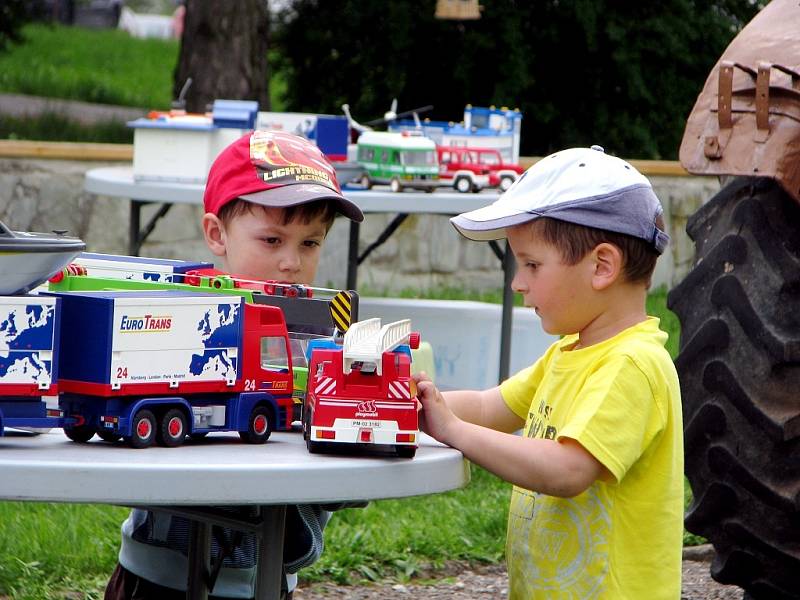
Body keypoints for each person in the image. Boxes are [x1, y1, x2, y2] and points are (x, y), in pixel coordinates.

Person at [104, 130, 364, 600]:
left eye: (310, 244)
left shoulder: (326, 335)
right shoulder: (177, 319)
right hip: (158, 579)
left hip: (269, 583)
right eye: (272, 239)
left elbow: (343, 484)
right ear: (216, 233)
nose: (291, 263)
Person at [414, 146, 683, 599]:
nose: (518, 282)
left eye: (532, 265)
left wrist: (454, 431)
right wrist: (412, 401)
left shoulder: (632, 365)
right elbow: (489, 406)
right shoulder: (568, 352)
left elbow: (567, 469)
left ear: (602, 266)